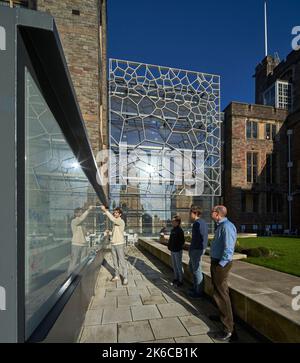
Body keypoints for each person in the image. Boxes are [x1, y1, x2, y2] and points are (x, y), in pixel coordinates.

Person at [210, 205, 238, 342]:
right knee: (218, 291)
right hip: (217, 262)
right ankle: (222, 315)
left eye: (212, 211)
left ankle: (228, 329)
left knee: (221, 293)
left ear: (218, 213)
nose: (211, 213)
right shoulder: (220, 225)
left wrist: (221, 265)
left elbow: (229, 248)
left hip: (221, 264)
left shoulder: (227, 226)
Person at [101, 205, 128, 285]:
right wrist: (109, 233)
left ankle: (125, 277)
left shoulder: (121, 221)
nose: (115, 214)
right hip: (113, 244)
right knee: (115, 261)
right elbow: (115, 233)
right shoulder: (114, 223)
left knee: (122, 261)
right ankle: (116, 276)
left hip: (120, 244)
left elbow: (112, 219)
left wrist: (105, 211)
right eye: (114, 212)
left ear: (120, 214)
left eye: (116, 213)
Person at [188, 206, 208, 298]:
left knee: (196, 270)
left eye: (190, 213)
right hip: (197, 249)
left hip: (196, 250)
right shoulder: (201, 222)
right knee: (192, 268)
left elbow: (200, 238)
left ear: (195, 213)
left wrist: (196, 249)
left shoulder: (198, 223)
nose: (189, 215)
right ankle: (195, 287)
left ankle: (198, 292)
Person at [68, 206, 94, 274]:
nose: (81, 213)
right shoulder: (74, 221)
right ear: (75, 214)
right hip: (76, 244)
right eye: (80, 212)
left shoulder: (82, 223)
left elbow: (85, 233)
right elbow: (81, 219)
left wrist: (89, 232)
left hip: (83, 244)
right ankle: (69, 276)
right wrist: (88, 210)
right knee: (74, 261)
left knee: (83, 261)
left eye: (81, 212)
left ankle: (80, 274)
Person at [167, 215, 185, 287]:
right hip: (172, 250)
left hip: (177, 251)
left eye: (173, 221)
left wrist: (177, 247)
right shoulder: (173, 230)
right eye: (172, 221)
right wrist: (169, 246)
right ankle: (176, 278)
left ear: (177, 222)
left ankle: (180, 280)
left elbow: (182, 241)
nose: (172, 222)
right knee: (174, 265)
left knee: (178, 265)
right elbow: (170, 240)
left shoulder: (180, 230)